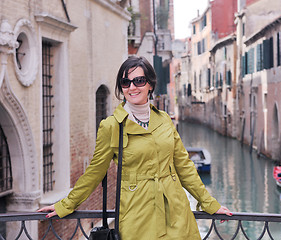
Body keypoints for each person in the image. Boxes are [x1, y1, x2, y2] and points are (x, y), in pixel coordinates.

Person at [38, 56, 232, 239]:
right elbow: (95, 172)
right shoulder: (111, 126)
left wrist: (209, 204)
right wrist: (66, 204)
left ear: (150, 84)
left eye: (138, 80)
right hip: (137, 213)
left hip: (176, 211)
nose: (132, 87)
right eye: (125, 82)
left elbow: (184, 166)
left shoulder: (164, 120)